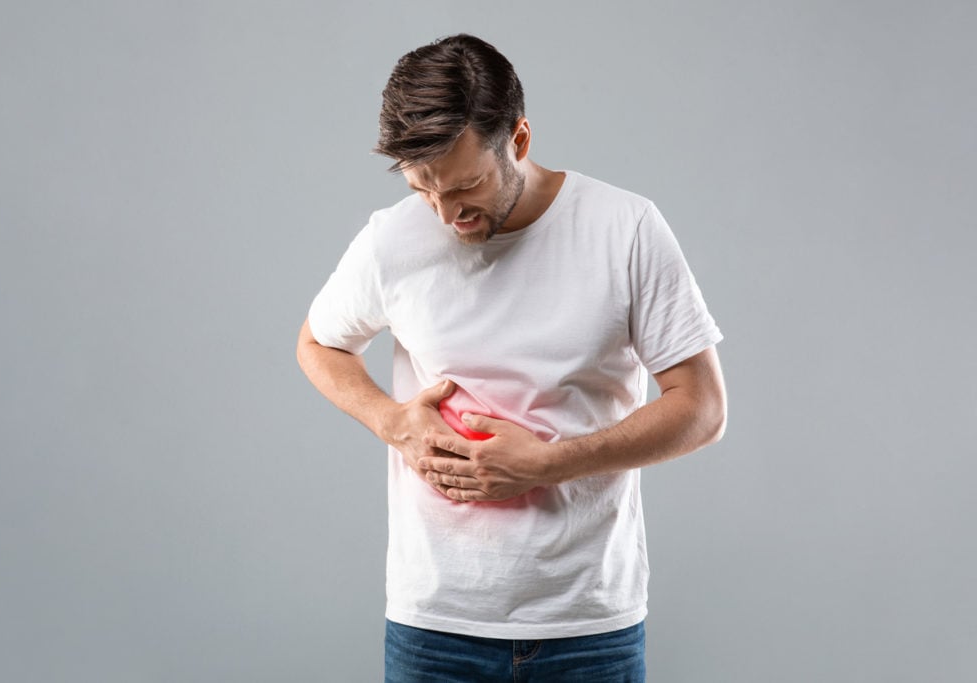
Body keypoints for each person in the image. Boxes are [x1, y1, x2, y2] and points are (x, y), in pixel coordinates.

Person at [297, 33, 727, 683]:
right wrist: (392, 422)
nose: (446, 214)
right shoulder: (392, 239)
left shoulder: (625, 228)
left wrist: (550, 462)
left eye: (465, 185)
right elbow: (318, 342)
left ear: (519, 141)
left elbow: (703, 407)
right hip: (434, 625)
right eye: (424, 189)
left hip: (587, 626)